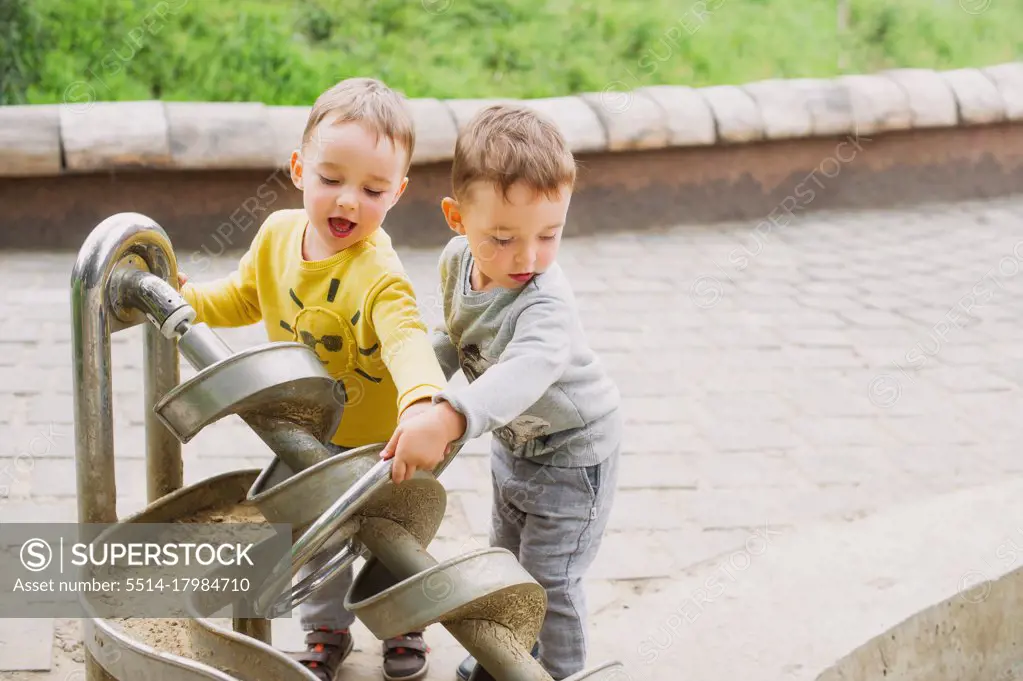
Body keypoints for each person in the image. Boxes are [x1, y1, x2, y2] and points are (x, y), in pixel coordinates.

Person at [178, 76, 443, 681]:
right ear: (298, 168)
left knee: (389, 537)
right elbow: (244, 296)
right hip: (307, 437)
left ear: (398, 193)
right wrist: (188, 300)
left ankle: (404, 622)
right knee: (315, 539)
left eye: (373, 189)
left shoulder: (380, 273)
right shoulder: (275, 235)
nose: (349, 201)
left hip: (383, 447)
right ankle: (325, 631)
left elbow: (406, 337)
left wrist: (424, 402)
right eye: (331, 180)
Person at [379, 103, 623, 681]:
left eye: (549, 234)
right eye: (503, 237)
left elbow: (524, 371)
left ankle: (556, 672)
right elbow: (454, 336)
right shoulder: (456, 262)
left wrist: (448, 418)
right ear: (456, 217)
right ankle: (506, 659)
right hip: (513, 444)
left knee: (551, 581)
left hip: (574, 455)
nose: (528, 257)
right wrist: (416, 390)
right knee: (505, 564)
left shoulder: (547, 304)